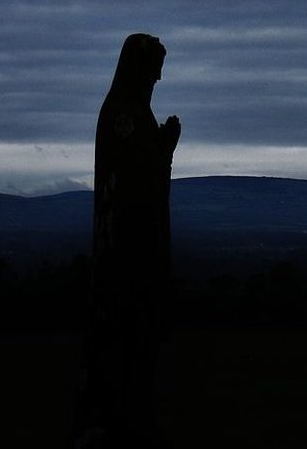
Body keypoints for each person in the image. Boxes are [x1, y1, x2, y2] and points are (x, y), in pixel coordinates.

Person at [73, 33, 180, 449]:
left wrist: (161, 147)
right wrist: (164, 149)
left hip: (135, 244)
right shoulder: (125, 115)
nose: (158, 79)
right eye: (154, 71)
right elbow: (135, 178)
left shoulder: (132, 112)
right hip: (127, 249)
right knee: (126, 337)